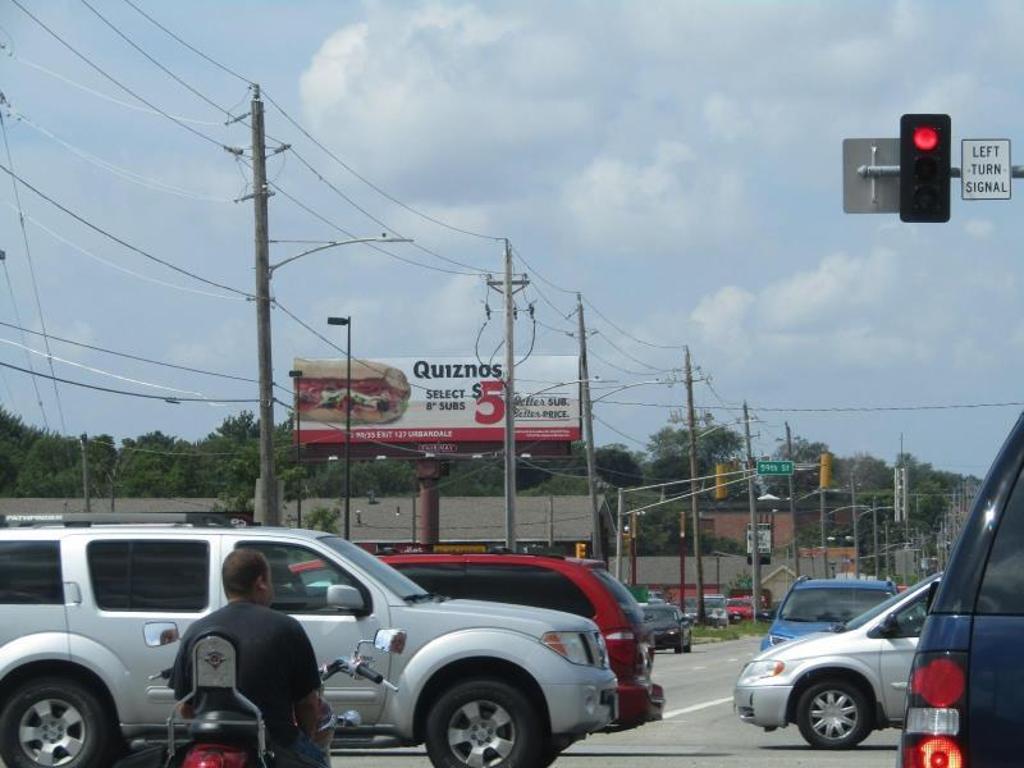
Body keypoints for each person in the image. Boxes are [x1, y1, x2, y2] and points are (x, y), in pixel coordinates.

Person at [170, 548, 329, 767]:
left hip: (208, 747)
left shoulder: (196, 631)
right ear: (261, 582)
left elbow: (185, 706)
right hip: (273, 744)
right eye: (271, 581)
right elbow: (308, 705)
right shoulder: (286, 628)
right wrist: (305, 738)